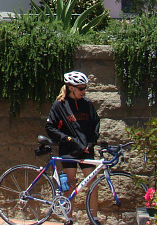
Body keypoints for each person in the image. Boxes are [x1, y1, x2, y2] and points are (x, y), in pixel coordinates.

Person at [46, 71, 101, 225]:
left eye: (85, 88)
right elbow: (50, 127)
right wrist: (68, 139)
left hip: (86, 150)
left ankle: (94, 219)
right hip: (69, 150)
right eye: (81, 88)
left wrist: (91, 143)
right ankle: (68, 219)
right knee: (70, 184)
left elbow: (96, 123)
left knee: (92, 184)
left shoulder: (87, 104)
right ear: (71, 88)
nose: (84, 92)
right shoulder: (59, 105)